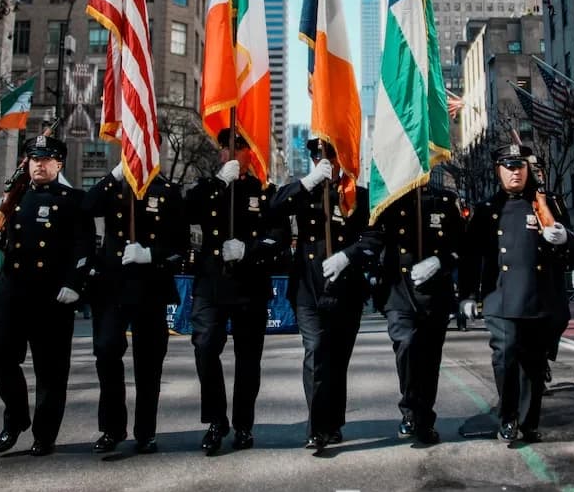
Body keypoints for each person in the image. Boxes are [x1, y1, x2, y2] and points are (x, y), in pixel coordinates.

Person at [0, 135, 95, 456]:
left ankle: (45, 434)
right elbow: (0, 241)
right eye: (34, 159)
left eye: (46, 159)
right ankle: (15, 418)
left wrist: (75, 282)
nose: (39, 165)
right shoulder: (14, 198)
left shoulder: (73, 199)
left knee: (51, 370)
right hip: (14, 291)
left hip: (52, 295)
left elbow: (84, 246)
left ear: (59, 164)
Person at [270, 138, 380, 452]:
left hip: (346, 289)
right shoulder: (303, 192)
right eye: (318, 154)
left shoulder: (357, 195)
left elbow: (374, 236)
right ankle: (317, 428)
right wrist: (307, 182)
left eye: (330, 153)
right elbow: (274, 207)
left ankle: (333, 423)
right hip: (308, 288)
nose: (325, 159)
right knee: (317, 351)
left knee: (337, 360)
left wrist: (348, 255)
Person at [186, 128, 287, 455]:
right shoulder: (208, 187)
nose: (229, 153)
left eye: (237, 147)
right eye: (225, 148)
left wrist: (249, 249)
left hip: (250, 285)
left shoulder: (264, 191)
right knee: (204, 347)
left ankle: (243, 424)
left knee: (248, 360)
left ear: (250, 152)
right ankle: (217, 421)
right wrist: (219, 183)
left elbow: (279, 237)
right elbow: (187, 211)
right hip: (212, 284)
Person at [460, 144, 571, 442]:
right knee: (505, 355)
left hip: (538, 295)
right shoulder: (486, 210)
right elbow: (471, 255)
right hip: (501, 296)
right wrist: (467, 294)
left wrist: (563, 237)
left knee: (533, 363)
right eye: (508, 167)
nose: (515, 173)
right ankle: (508, 417)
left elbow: (569, 240)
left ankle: (529, 421)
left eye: (520, 167)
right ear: (498, 170)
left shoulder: (546, 203)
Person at [81, 162, 188, 454]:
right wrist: (114, 174)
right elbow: (86, 207)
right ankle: (112, 428)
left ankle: (146, 432)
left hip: (151, 287)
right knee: (106, 352)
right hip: (112, 287)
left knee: (149, 364)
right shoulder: (113, 186)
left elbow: (181, 246)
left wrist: (151, 254)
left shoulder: (167, 192)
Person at [373, 179, 463, 446]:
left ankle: (424, 420)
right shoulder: (387, 200)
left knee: (430, 360)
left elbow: (461, 244)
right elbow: (373, 237)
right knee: (406, 345)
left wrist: (440, 261)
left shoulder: (444, 201)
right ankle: (410, 411)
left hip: (435, 292)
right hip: (398, 291)